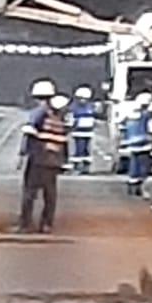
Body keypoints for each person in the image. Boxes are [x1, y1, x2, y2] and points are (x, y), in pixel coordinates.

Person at [17, 92, 70, 233]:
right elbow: (64, 143)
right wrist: (64, 162)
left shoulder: (40, 116)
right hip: (53, 161)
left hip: (38, 159)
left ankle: (26, 224)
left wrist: (23, 154)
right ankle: (46, 224)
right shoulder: (61, 121)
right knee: (50, 194)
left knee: (29, 193)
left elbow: (30, 136)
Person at [122, 91, 152, 196]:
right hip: (143, 144)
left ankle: (132, 185)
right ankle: (140, 187)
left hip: (132, 144)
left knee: (133, 165)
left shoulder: (129, 115)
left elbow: (123, 127)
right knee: (143, 167)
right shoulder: (144, 115)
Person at [68, 86, 96, 174]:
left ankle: (86, 166)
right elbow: (71, 118)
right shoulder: (74, 107)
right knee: (79, 149)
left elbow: (95, 117)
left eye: (85, 99)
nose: (83, 100)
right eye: (81, 98)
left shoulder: (91, 107)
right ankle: (77, 166)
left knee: (87, 149)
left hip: (88, 132)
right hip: (78, 132)